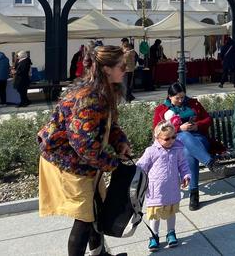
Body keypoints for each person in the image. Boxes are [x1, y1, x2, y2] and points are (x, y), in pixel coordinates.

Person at [38, 45, 131, 256]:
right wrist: (113, 164)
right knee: (85, 215)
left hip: (85, 159)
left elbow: (109, 124)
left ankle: (100, 254)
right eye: (122, 66)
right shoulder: (88, 97)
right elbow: (84, 145)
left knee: (97, 208)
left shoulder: (105, 90)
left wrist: (120, 142)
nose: (126, 70)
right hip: (68, 161)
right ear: (107, 69)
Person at [153, 82, 224, 211]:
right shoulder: (162, 110)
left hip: (199, 139)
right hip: (176, 140)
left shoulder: (193, 103)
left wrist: (197, 125)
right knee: (185, 140)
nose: (181, 100)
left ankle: (194, 194)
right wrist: (178, 128)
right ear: (170, 96)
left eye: (183, 97)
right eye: (177, 98)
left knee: (188, 150)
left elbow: (208, 119)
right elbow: (157, 130)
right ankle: (210, 162)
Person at [137, 121, 191, 251]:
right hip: (156, 190)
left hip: (172, 188)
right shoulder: (151, 151)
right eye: (167, 138)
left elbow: (183, 165)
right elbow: (141, 165)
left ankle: (171, 232)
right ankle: (154, 235)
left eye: (174, 137)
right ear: (157, 138)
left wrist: (186, 175)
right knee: (155, 214)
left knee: (171, 212)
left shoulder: (177, 150)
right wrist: (134, 175)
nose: (171, 141)